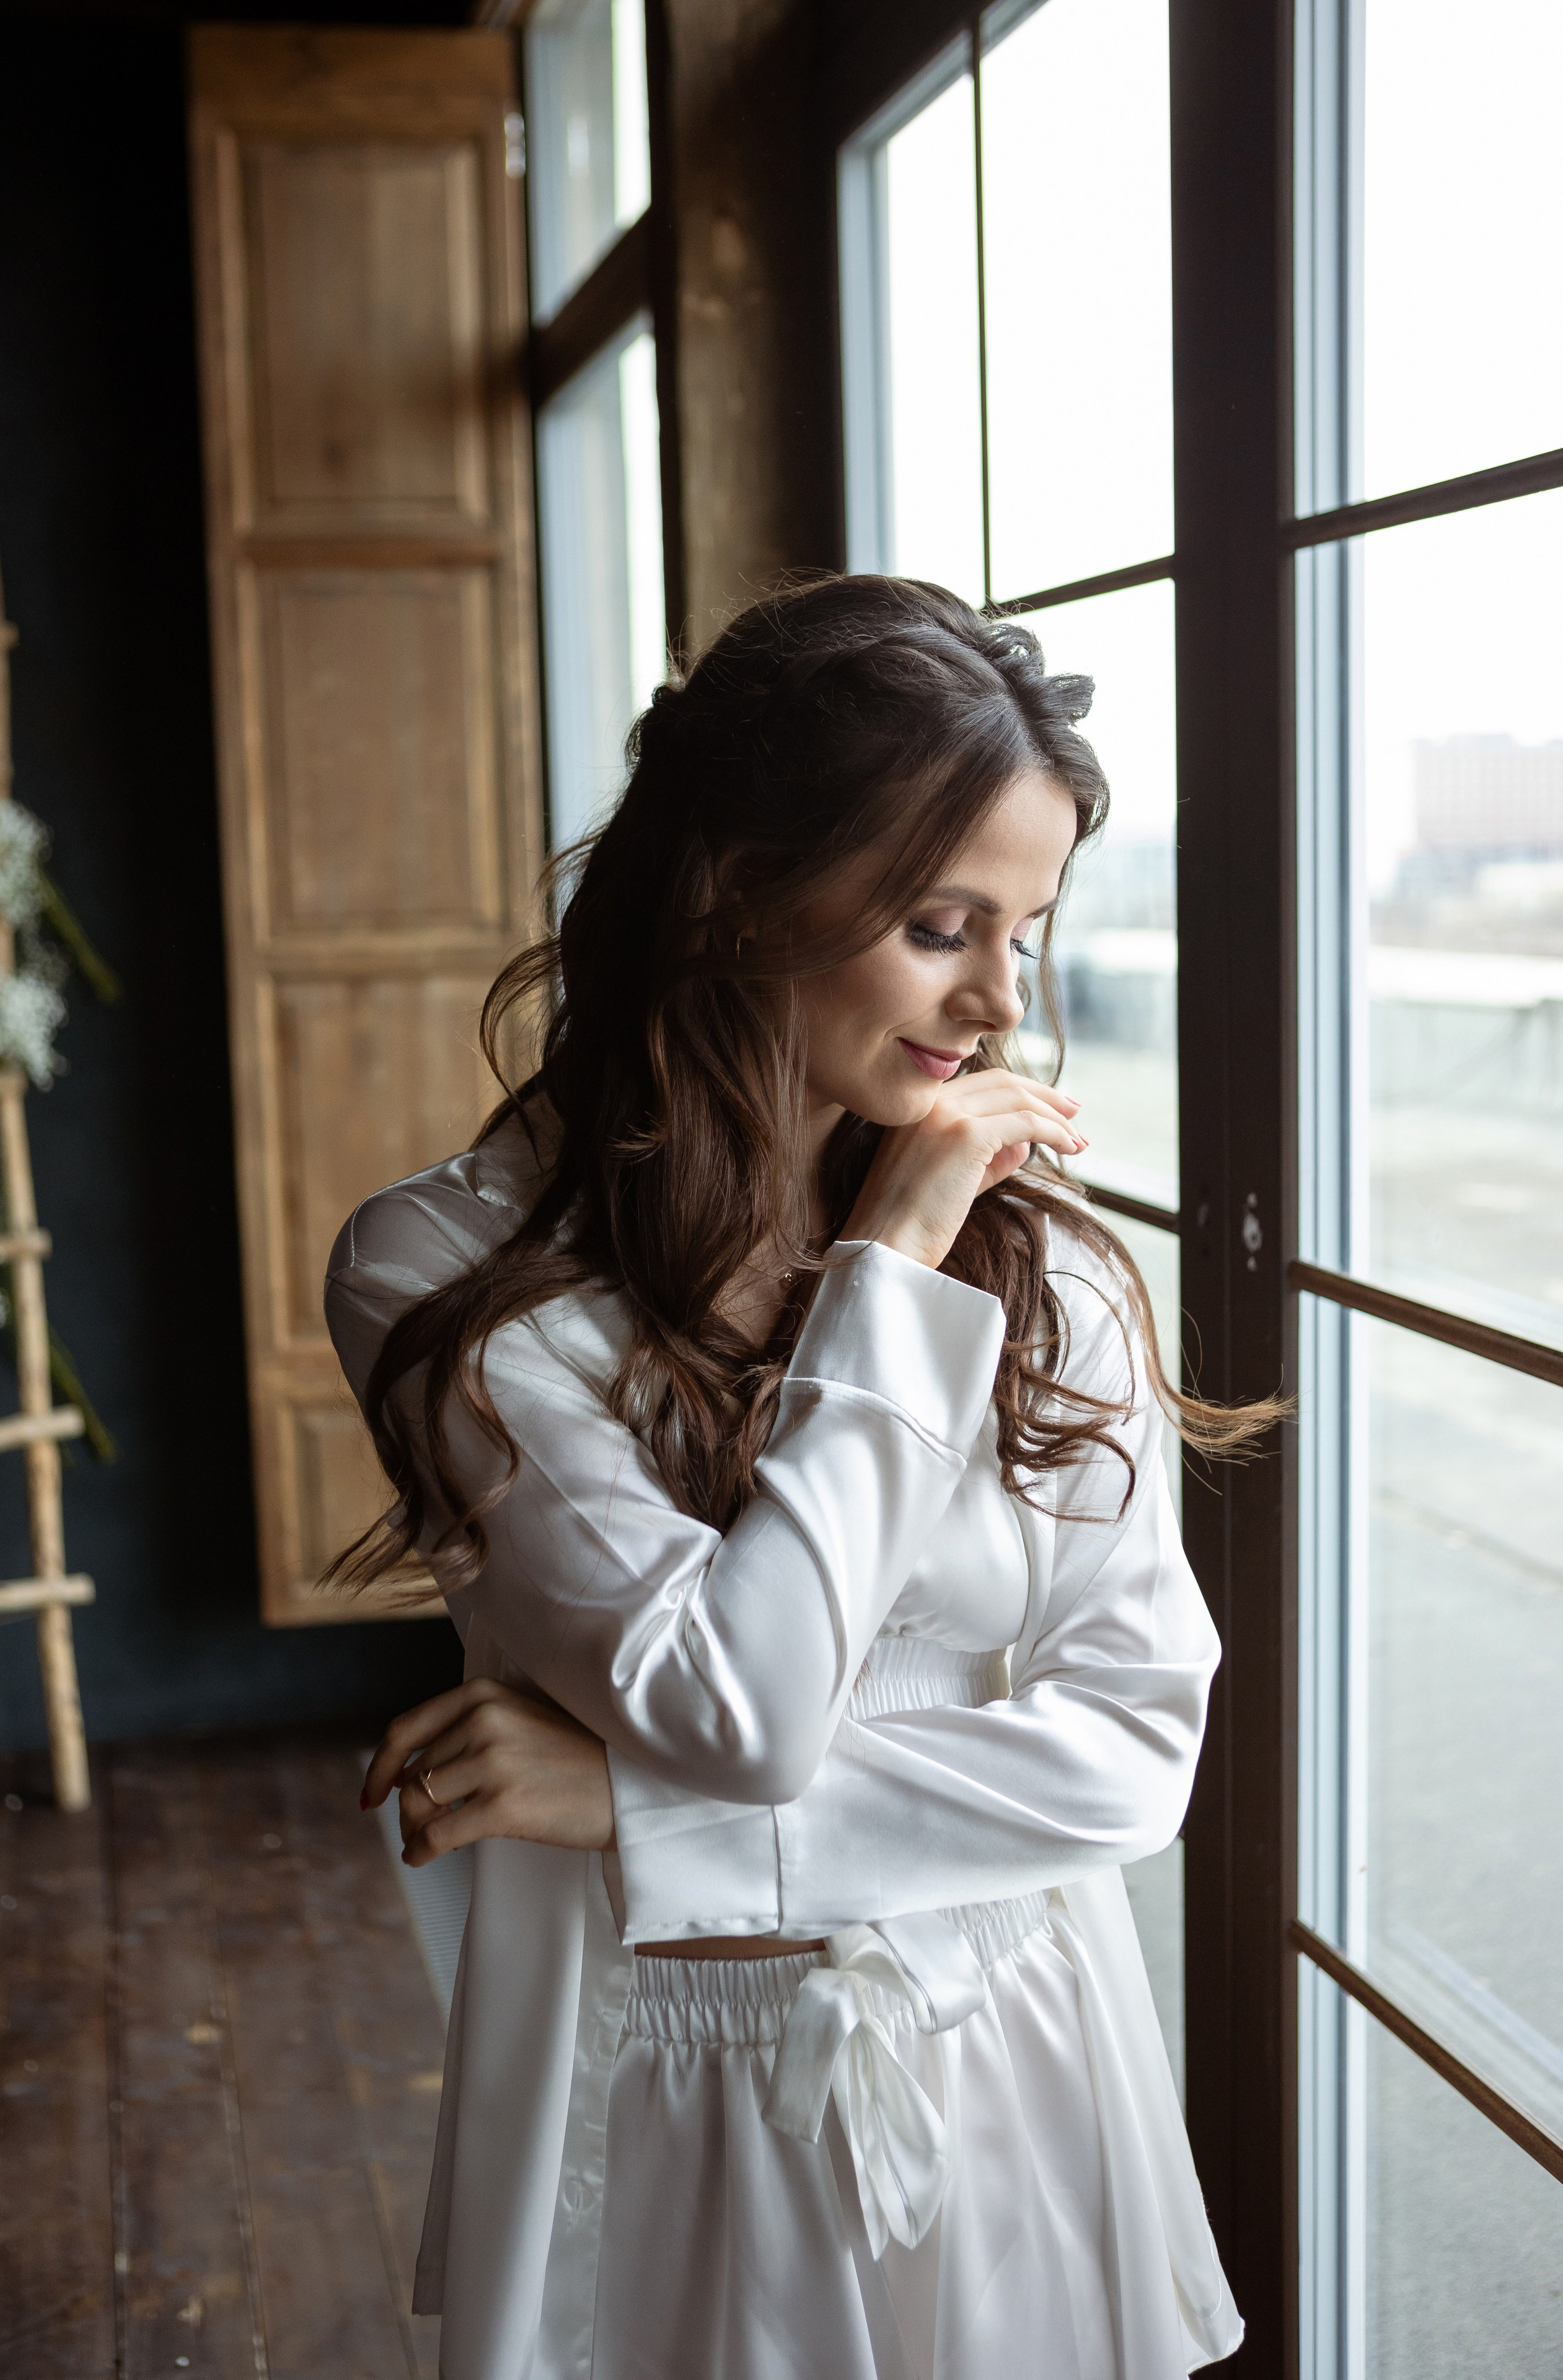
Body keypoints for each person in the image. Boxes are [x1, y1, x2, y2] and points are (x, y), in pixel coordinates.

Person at [327, 575, 1275, 2380]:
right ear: (740, 892)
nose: (1001, 1000)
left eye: (1031, 930)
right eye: (941, 924)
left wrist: (637, 1807)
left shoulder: (1042, 1261)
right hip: (658, 2091)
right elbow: (741, 1703)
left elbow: (1143, 1739)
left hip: (1014, 2046)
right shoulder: (445, 1273)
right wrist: (891, 1279)